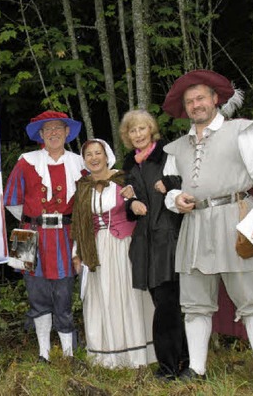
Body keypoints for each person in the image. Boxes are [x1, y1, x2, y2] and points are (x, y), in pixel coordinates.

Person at [161, 69, 253, 389]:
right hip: (196, 225)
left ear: (216, 99)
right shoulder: (176, 148)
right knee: (195, 301)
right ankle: (198, 370)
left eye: (201, 97)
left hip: (236, 218)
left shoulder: (241, 131)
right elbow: (170, 190)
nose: (196, 104)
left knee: (251, 298)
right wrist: (177, 199)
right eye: (189, 101)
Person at [4, 110, 84, 362]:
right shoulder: (26, 161)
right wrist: (33, 221)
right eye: (47, 129)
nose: (53, 133)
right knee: (36, 294)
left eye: (58, 128)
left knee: (63, 294)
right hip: (28, 236)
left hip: (65, 234)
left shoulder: (79, 163)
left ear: (67, 132)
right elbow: (12, 201)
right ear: (40, 134)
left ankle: (68, 354)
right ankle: (43, 353)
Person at [71, 139, 156, 368]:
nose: (94, 158)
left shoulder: (124, 179)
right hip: (95, 248)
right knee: (102, 296)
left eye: (98, 153)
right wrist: (77, 253)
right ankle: (107, 356)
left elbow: (138, 205)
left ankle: (137, 355)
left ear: (107, 156)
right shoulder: (82, 186)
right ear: (85, 160)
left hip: (124, 245)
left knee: (127, 293)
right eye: (89, 154)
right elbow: (79, 223)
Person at [119, 110, 188, 380]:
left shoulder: (168, 156)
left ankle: (169, 366)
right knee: (163, 301)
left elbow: (188, 186)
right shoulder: (130, 164)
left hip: (168, 237)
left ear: (151, 130)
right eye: (132, 131)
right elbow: (131, 200)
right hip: (144, 242)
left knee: (167, 303)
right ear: (127, 136)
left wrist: (170, 183)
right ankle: (183, 359)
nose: (137, 134)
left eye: (142, 129)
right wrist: (131, 203)